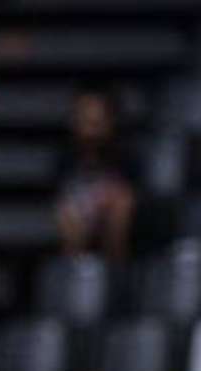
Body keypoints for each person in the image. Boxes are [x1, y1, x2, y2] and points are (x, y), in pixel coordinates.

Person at [55, 89, 135, 261]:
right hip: (79, 212)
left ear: (110, 122)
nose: (91, 130)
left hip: (113, 214)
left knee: (121, 206)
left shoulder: (126, 157)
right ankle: (75, 271)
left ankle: (116, 270)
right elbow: (61, 194)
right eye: (85, 120)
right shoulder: (65, 158)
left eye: (97, 122)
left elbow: (132, 194)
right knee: (67, 216)